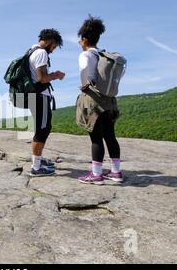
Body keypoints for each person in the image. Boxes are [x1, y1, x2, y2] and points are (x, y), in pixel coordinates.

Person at [76, 15, 123, 185]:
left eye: (80, 40)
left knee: (96, 138)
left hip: (93, 99)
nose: (80, 43)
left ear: (84, 39)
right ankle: (116, 172)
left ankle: (97, 175)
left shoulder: (86, 55)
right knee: (110, 136)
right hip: (109, 101)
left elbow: (86, 77)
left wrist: (84, 85)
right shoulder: (104, 56)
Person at [28, 29, 66, 177]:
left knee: (42, 127)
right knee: (42, 129)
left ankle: (38, 160)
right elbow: (41, 78)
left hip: (34, 96)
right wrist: (56, 75)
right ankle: (36, 167)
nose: (54, 49)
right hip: (40, 96)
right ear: (50, 41)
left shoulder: (32, 50)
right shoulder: (41, 53)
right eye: (55, 46)